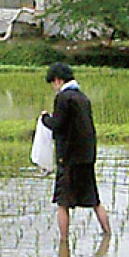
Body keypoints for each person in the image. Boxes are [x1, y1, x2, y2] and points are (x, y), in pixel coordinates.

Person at [40, 62, 111, 241]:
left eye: (53, 83)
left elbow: (58, 124)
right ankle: (108, 234)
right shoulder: (82, 97)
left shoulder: (63, 98)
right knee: (94, 200)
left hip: (69, 158)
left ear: (58, 80)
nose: (54, 88)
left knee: (62, 202)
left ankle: (63, 242)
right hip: (87, 157)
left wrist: (44, 118)